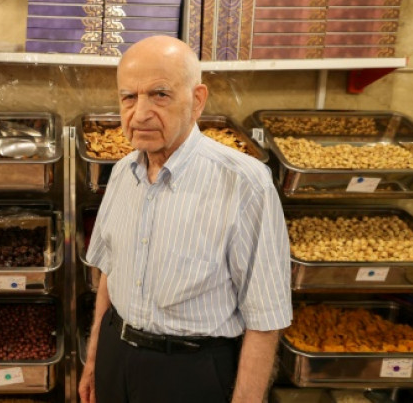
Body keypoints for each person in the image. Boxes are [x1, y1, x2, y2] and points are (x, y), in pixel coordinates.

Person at [78, 36, 292, 403]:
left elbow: (265, 319)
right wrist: (95, 359)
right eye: (128, 97)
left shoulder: (244, 182)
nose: (140, 114)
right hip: (117, 352)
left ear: (197, 100)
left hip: (190, 370)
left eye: (159, 94)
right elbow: (110, 274)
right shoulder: (122, 173)